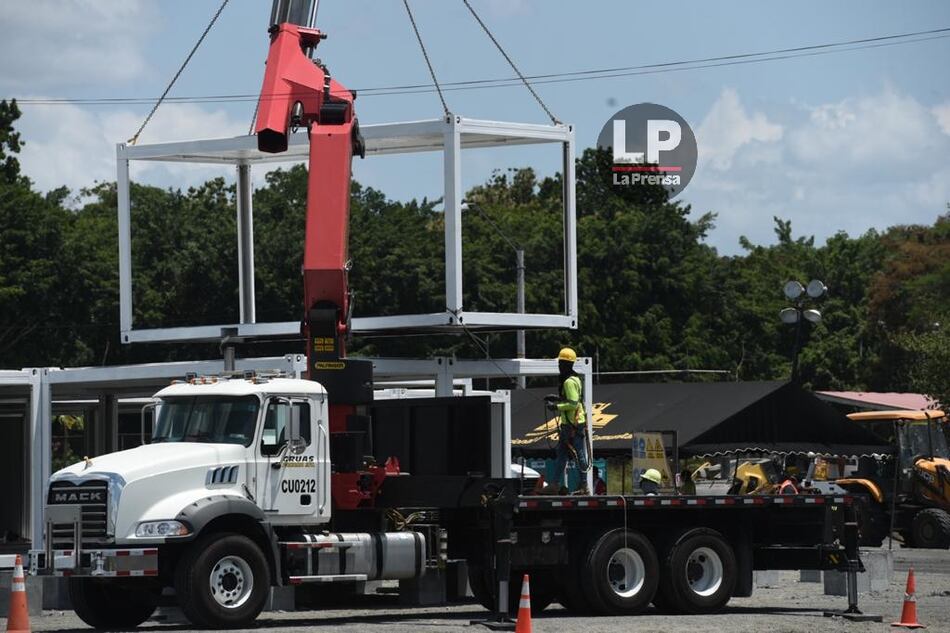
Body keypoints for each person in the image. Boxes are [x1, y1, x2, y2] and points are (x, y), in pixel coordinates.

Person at [546, 347, 589, 493]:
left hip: (572, 424)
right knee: (563, 454)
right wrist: (556, 398)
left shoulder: (568, 382)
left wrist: (555, 407)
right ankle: (555, 484)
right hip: (574, 423)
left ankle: (583, 485)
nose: (559, 366)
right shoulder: (575, 378)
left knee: (577, 454)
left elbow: (572, 403)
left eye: (560, 363)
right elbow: (572, 399)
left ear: (565, 364)